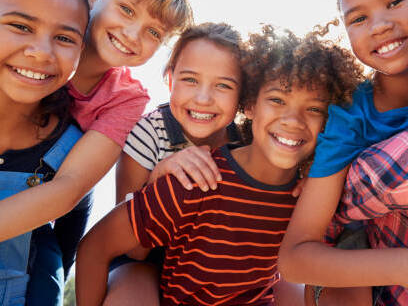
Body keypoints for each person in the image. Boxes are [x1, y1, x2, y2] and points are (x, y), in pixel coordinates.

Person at [76, 24, 362, 305]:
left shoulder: (299, 182)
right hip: (145, 254)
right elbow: (113, 247)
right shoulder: (172, 155)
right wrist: (159, 179)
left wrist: (315, 172)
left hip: (241, 274)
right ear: (249, 104)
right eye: (276, 100)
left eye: (314, 109)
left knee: (291, 282)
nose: (292, 120)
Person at [0, 0, 192, 305]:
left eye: (153, 32)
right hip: (18, 164)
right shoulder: (34, 52)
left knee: (51, 261)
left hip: (64, 186)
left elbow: (69, 189)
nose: (132, 34)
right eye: (127, 9)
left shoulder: (126, 97)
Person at [278, 0, 408, 306]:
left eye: (396, 1)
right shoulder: (351, 115)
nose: (379, 25)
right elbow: (296, 258)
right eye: (359, 18)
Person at [106, 22, 244, 305]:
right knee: (131, 292)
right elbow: (131, 248)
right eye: (190, 80)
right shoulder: (150, 132)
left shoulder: (247, 142)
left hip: (217, 263)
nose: (203, 98)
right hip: (147, 259)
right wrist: (159, 179)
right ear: (170, 81)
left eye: (223, 85)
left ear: (243, 96)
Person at [0, 0, 89, 305]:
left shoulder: (69, 147)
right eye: (21, 26)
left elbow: (76, 212)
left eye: (65, 38)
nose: (41, 52)